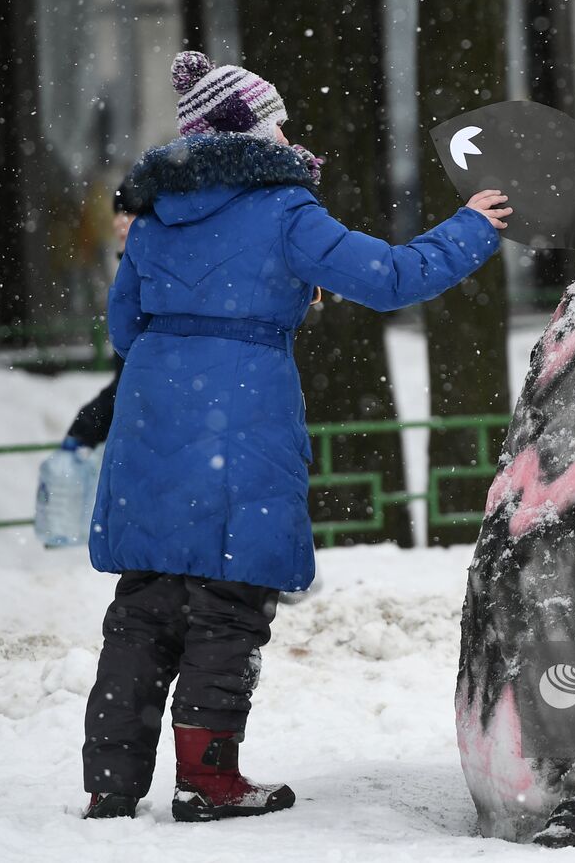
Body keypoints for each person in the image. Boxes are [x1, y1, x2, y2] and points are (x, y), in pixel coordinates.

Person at [81, 50, 511, 822]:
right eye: (278, 122)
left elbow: (124, 324)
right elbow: (388, 277)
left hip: (152, 411)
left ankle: (109, 786)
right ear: (248, 130)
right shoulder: (283, 209)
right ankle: (207, 778)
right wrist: (472, 228)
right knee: (229, 597)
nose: (288, 136)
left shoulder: (152, 216)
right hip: (243, 410)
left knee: (144, 600)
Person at [62, 185, 134, 453]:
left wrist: (88, 424)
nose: (119, 222)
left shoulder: (149, 278)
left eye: (129, 213)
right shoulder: (130, 272)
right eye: (117, 213)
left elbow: (133, 378)